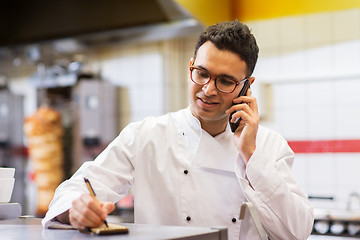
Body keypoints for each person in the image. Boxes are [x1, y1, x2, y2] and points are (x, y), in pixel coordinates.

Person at [42, 20, 314, 239]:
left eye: (226, 81)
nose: (208, 89)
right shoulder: (147, 136)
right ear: (190, 68)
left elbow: (297, 231)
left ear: (246, 86)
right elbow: (76, 188)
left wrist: (251, 156)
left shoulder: (269, 146)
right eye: (202, 73)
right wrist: (76, 210)